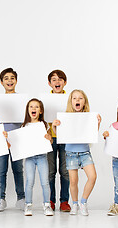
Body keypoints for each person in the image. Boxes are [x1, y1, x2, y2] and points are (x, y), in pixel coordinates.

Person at [52, 89, 101, 216]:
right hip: (71, 153)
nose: (77, 100)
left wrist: (98, 123)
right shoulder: (66, 117)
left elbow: (92, 135)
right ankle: (74, 204)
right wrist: (54, 127)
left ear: (84, 102)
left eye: (80, 98)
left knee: (93, 177)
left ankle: (83, 202)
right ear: (71, 101)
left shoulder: (88, 117)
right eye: (74, 98)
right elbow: (61, 136)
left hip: (85, 152)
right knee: (73, 181)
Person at [19, 99, 54, 216]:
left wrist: (49, 138)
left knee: (45, 182)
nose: (33, 109)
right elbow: (20, 142)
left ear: (40, 111)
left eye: (36, 107)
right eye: (31, 107)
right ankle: (28, 205)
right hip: (29, 158)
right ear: (27, 110)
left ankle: (47, 205)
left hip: (42, 157)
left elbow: (51, 141)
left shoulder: (44, 125)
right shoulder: (24, 125)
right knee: (29, 182)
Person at [0, 67, 25, 211]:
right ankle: (1, 199)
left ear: (16, 81)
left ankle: (21, 198)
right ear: (1, 82)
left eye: (12, 78)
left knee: (18, 170)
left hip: (17, 138)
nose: (9, 81)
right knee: (1, 170)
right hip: (2, 138)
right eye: (6, 78)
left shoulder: (21, 100)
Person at [46, 70, 71, 212]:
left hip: (66, 139)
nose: (57, 82)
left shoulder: (70, 99)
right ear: (49, 83)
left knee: (65, 171)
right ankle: (50, 201)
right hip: (50, 139)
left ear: (65, 82)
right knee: (50, 171)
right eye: (54, 80)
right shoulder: (45, 99)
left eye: (60, 79)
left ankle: (64, 201)